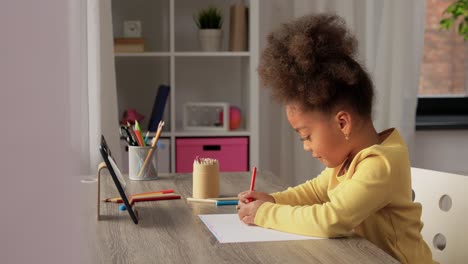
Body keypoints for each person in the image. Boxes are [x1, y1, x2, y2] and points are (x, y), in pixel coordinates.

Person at [236, 14, 435, 264]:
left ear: (342, 123)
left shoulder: (379, 164)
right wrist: (274, 199)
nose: (307, 147)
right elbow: (314, 191)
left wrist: (265, 213)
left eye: (306, 137)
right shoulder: (348, 159)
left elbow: (330, 219)